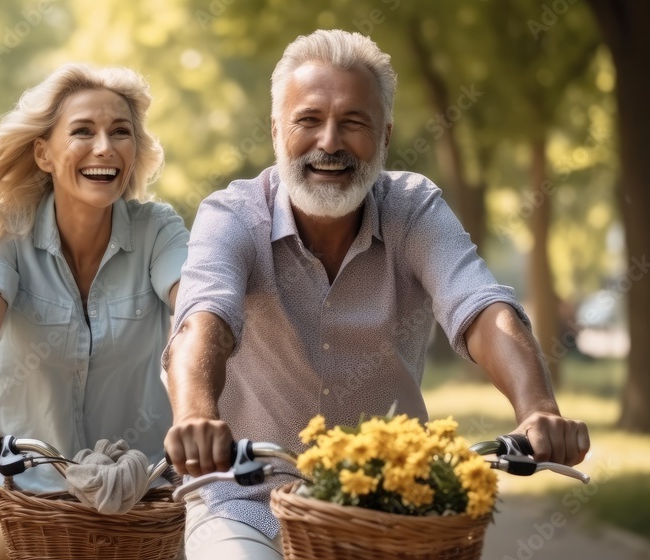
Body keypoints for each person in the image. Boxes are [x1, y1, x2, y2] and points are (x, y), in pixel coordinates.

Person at [162, 29, 590, 560]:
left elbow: (479, 306)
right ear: (276, 130)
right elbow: (204, 320)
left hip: (389, 508)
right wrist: (196, 416)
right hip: (243, 497)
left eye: (353, 122)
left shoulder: (413, 208)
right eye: (309, 120)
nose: (330, 142)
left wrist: (537, 407)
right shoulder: (232, 215)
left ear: (385, 137)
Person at [0, 64, 188, 560]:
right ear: (43, 152)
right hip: (8, 470)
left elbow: (196, 313)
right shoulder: (2, 232)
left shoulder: (157, 230)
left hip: (134, 474)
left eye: (120, 132)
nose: (104, 146)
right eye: (83, 131)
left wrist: (202, 411)